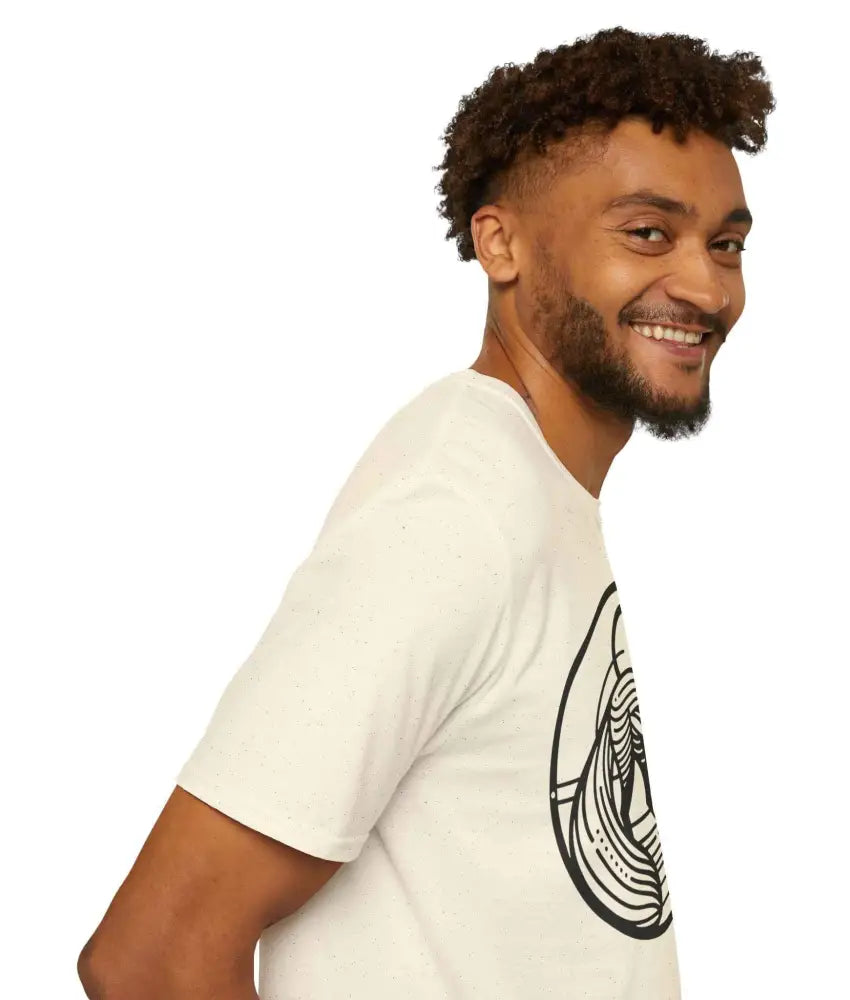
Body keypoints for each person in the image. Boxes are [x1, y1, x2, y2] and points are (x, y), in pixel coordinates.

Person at [78, 25, 775, 1000]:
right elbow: (153, 953)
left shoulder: (527, 492)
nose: (705, 285)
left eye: (726, 244)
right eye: (647, 233)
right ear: (501, 243)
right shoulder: (458, 505)